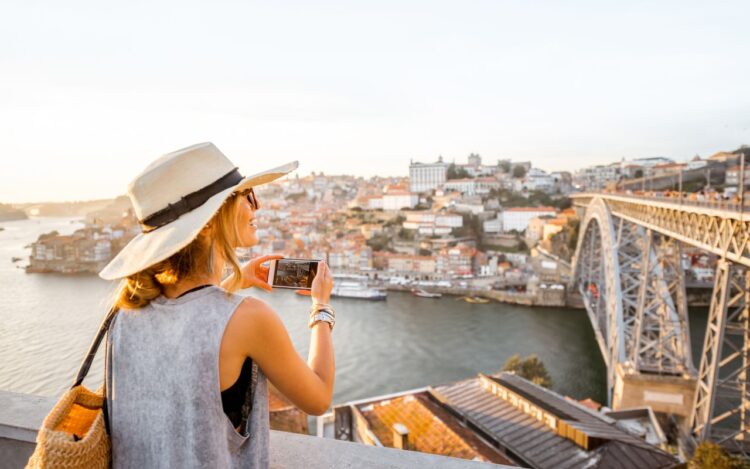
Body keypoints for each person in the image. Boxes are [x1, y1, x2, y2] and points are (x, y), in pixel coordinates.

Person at [98, 143, 335, 468]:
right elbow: (318, 398)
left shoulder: (124, 314)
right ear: (210, 220)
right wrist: (321, 308)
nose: (258, 206)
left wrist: (238, 279)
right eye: (248, 195)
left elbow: (192, 329)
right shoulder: (249, 319)